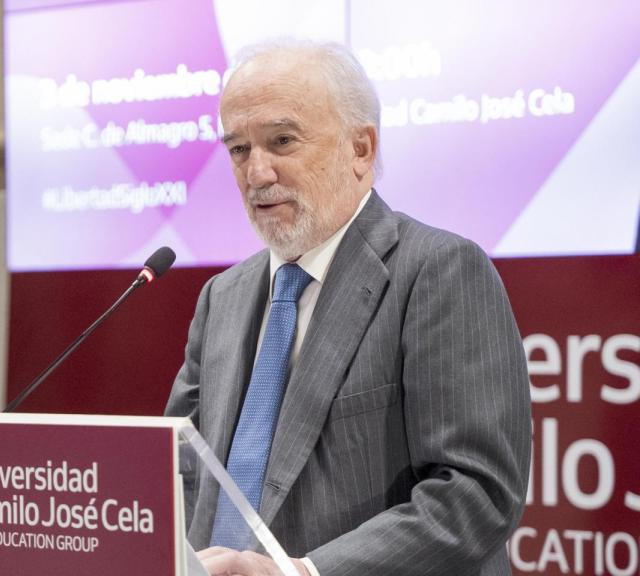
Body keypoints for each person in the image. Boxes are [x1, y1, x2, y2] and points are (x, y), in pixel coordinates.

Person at [165, 40, 531, 576]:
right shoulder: (223, 295)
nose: (256, 173)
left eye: (281, 141)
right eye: (239, 149)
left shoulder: (440, 270)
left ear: (360, 148)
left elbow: (476, 494)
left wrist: (301, 572)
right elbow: (180, 467)